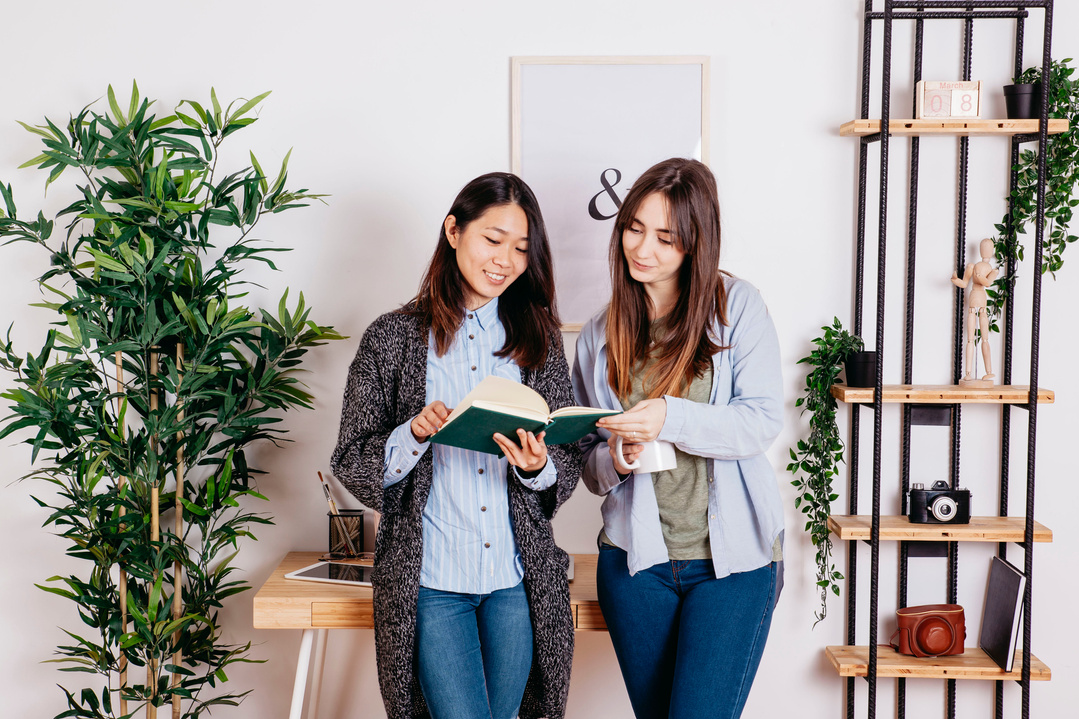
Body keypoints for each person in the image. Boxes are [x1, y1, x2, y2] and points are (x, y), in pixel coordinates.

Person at [331, 172, 581, 719]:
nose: (506, 260)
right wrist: (413, 433)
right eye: (493, 240)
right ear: (453, 230)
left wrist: (539, 467)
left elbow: (567, 455)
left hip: (516, 581)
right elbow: (350, 457)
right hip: (432, 583)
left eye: (521, 248)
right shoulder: (391, 337)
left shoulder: (537, 338)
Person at [571, 157, 784, 719]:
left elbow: (761, 420)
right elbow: (587, 464)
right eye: (635, 228)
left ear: (696, 242)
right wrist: (617, 456)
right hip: (636, 567)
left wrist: (670, 418)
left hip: (731, 566)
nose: (643, 248)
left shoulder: (736, 307)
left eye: (665, 237)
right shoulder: (600, 332)